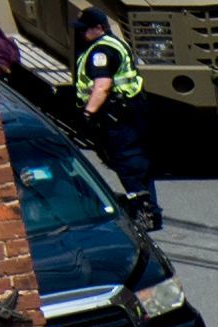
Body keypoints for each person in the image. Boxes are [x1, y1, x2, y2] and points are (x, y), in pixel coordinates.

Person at [71, 5, 153, 223]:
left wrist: (88, 113)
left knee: (127, 163)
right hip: (132, 109)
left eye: (85, 29)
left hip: (117, 115)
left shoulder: (101, 52)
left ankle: (144, 212)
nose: (81, 33)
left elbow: (102, 86)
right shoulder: (115, 43)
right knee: (139, 161)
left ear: (98, 28)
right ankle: (150, 208)